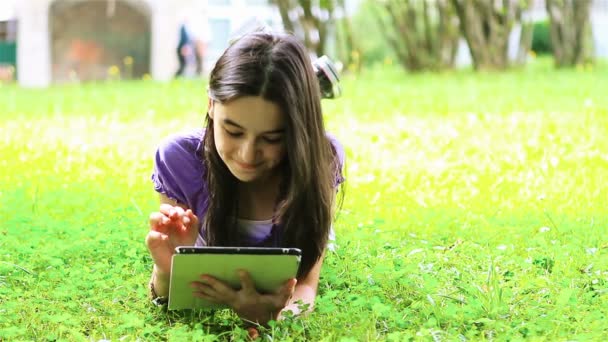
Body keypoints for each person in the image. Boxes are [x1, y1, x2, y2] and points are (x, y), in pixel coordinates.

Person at [147, 31, 345, 326]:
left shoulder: (320, 157)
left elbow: (305, 285)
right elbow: (170, 299)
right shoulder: (180, 160)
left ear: (298, 131)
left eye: (272, 138)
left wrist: (273, 319)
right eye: (233, 131)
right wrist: (166, 271)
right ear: (211, 105)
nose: (248, 154)